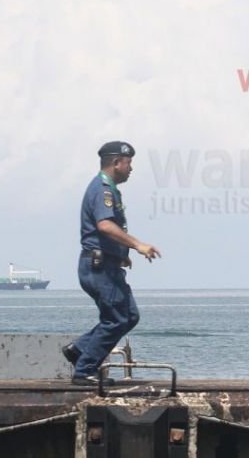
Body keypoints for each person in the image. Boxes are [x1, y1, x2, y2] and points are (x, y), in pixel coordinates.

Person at [62, 141, 161, 386]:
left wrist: (120, 254)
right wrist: (137, 245)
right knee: (117, 318)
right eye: (129, 163)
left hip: (106, 264)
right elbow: (105, 225)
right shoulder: (102, 189)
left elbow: (105, 231)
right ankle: (84, 371)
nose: (131, 168)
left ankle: (79, 350)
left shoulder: (108, 189)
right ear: (117, 163)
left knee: (129, 316)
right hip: (98, 268)